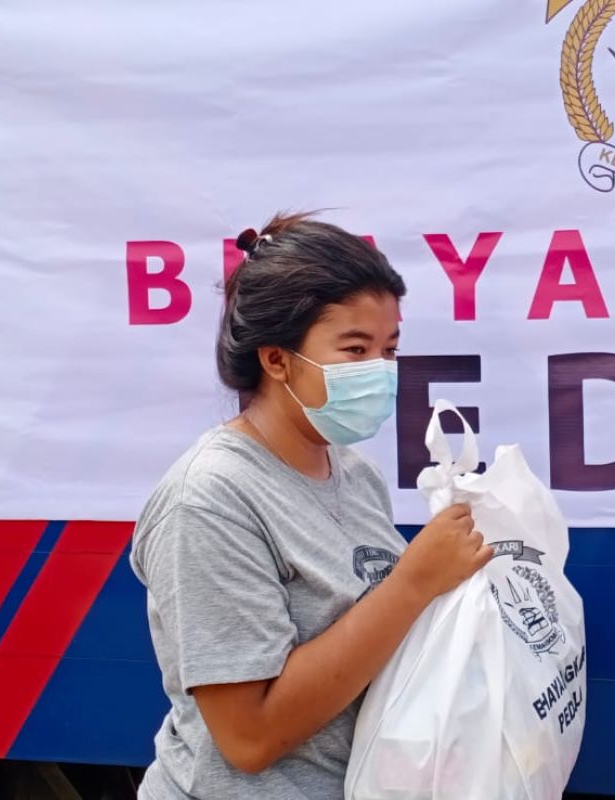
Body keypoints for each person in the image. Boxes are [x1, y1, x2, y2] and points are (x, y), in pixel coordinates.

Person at [130, 213, 493, 799]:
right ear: (276, 360)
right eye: (355, 349)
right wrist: (413, 584)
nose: (380, 371)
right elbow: (249, 739)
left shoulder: (355, 471)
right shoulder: (210, 500)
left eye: (389, 349)